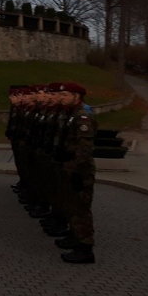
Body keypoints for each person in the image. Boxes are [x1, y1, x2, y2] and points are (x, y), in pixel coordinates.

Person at [53, 82, 97, 264]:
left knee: (81, 209)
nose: (61, 98)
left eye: (65, 96)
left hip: (79, 170)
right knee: (71, 205)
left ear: (76, 97)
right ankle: (74, 236)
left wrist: (80, 172)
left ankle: (85, 248)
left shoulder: (82, 116)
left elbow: (85, 148)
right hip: (69, 166)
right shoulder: (71, 114)